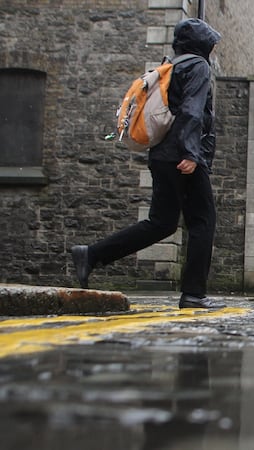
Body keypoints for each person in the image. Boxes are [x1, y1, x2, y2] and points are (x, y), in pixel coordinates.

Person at [70, 19, 224, 309]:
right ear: (201, 44)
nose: (213, 48)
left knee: (162, 223)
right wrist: (192, 154)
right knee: (203, 222)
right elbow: (192, 112)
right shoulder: (198, 67)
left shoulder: (172, 66)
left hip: (162, 155)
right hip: (183, 156)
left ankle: (90, 254)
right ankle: (193, 293)